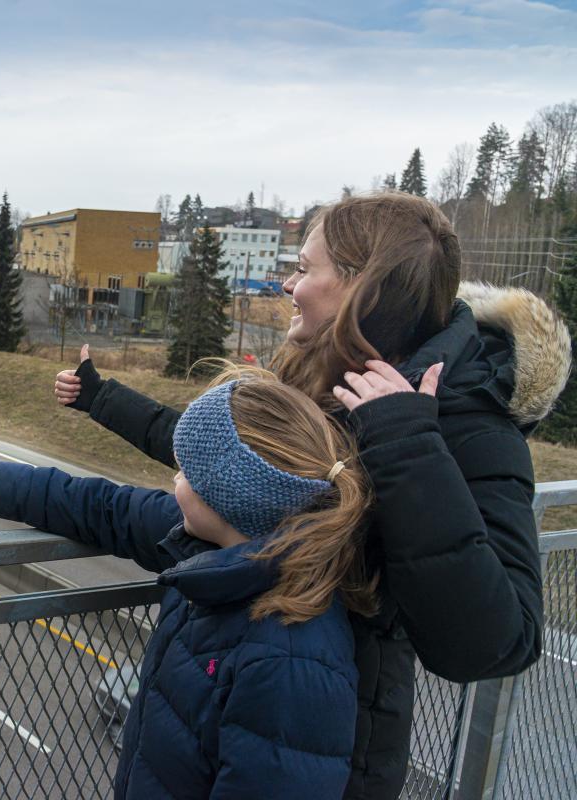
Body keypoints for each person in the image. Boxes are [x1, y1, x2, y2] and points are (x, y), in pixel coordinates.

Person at [53, 192, 571, 797]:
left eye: (303, 267)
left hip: (336, 755)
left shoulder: (471, 424)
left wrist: (405, 442)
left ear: (360, 288)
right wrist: (101, 398)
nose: (288, 285)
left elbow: (495, 644)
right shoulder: (314, 370)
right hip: (229, 695)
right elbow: (217, 457)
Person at [0, 368, 394, 798]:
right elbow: (109, 508)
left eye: (185, 471)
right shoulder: (224, 549)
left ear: (225, 497)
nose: (174, 478)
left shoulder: (290, 663)